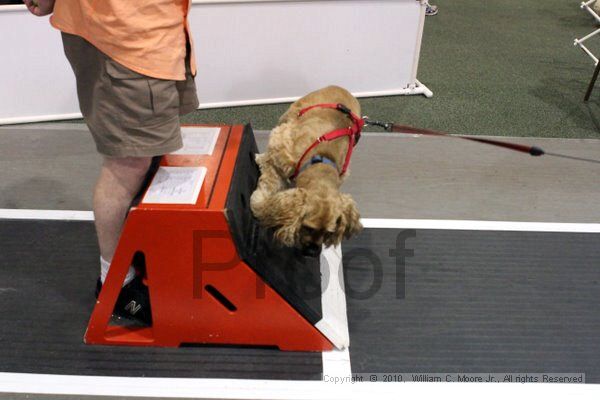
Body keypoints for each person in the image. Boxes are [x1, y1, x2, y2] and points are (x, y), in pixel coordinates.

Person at [24, 0, 199, 325]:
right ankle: (117, 282)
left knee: (145, 154)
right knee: (128, 164)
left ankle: (139, 251)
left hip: (148, 30)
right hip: (122, 41)